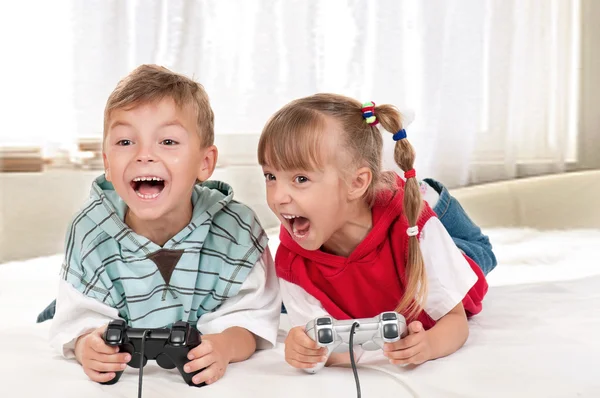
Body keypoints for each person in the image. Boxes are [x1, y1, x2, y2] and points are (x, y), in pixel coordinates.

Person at [45, 64, 281, 386]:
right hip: (110, 298)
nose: (144, 155)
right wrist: (88, 344)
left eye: (168, 142)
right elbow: (78, 324)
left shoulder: (236, 231)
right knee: (55, 312)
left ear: (204, 163)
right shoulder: (90, 231)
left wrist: (224, 346)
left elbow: (254, 319)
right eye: (126, 142)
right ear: (107, 165)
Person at [257, 94, 494, 369]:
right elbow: (324, 345)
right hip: (366, 232)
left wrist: (428, 345)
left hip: (432, 231)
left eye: (300, 179)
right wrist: (305, 352)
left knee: (476, 257)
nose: (279, 196)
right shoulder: (291, 262)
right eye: (270, 176)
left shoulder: (417, 230)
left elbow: (455, 321)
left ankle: (422, 192)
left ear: (357, 183)